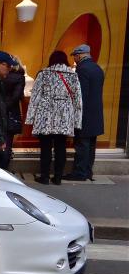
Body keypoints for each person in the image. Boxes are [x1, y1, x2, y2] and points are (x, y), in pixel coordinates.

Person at [25, 51, 82, 185]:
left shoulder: (44, 74)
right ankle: (57, 178)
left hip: (46, 116)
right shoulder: (73, 75)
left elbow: (35, 97)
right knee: (61, 147)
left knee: (45, 147)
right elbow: (78, 100)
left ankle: (44, 177)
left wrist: (30, 119)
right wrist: (76, 121)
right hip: (64, 116)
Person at [64, 44, 105, 181]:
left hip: (85, 115)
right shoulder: (97, 68)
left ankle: (79, 173)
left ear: (80, 55)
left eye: (75, 56)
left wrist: (75, 115)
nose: (74, 59)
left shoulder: (82, 70)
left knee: (82, 145)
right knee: (91, 145)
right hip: (96, 115)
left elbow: (80, 95)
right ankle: (88, 172)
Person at [2, 57, 25, 169]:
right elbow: (17, 96)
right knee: (7, 142)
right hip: (11, 113)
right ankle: (3, 169)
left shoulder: (1, 76)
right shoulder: (20, 78)